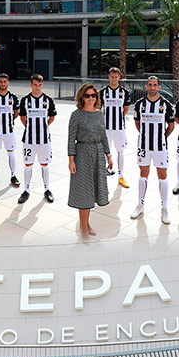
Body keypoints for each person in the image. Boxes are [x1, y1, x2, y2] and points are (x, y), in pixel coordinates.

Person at [67, 82, 113, 241]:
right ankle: (84, 229)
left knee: (93, 191)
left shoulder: (100, 114)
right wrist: (71, 160)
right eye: (87, 95)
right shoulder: (77, 115)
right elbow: (70, 138)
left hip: (98, 152)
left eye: (94, 95)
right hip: (82, 154)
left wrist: (108, 155)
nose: (91, 98)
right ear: (82, 97)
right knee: (84, 193)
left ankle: (85, 224)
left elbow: (103, 135)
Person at [132, 76, 175, 224]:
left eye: (155, 85)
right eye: (149, 85)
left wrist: (162, 137)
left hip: (160, 146)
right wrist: (146, 135)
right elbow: (137, 124)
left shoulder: (166, 104)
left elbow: (171, 126)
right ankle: (140, 205)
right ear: (146, 87)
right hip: (143, 146)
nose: (152, 88)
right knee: (143, 174)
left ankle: (164, 208)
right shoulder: (139, 104)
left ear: (159, 87)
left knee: (162, 175)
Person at [18, 73, 56, 204]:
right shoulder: (25, 100)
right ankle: (26, 190)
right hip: (29, 140)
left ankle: (47, 190)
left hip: (44, 140)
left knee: (44, 165)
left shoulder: (48, 100)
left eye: (39, 85)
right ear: (31, 85)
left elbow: (52, 117)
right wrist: (30, 128)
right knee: (28, 164)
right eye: (35, 85)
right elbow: (22, 117)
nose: (37, 87)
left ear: (42, 85)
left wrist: (43, 127)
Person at [99, 67, 131, 187]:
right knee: (104, 152)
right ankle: (102, 176)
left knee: (121, 151)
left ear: (119, 77)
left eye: (116, 76)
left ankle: (121, 176)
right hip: (106, 129)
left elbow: (126, 109)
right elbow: (98, 108)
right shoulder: (102, 92)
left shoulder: (124, 92)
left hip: (119, 128)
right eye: (111, 76)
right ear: (109, 77)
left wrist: (118, 118)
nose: (113, 79)